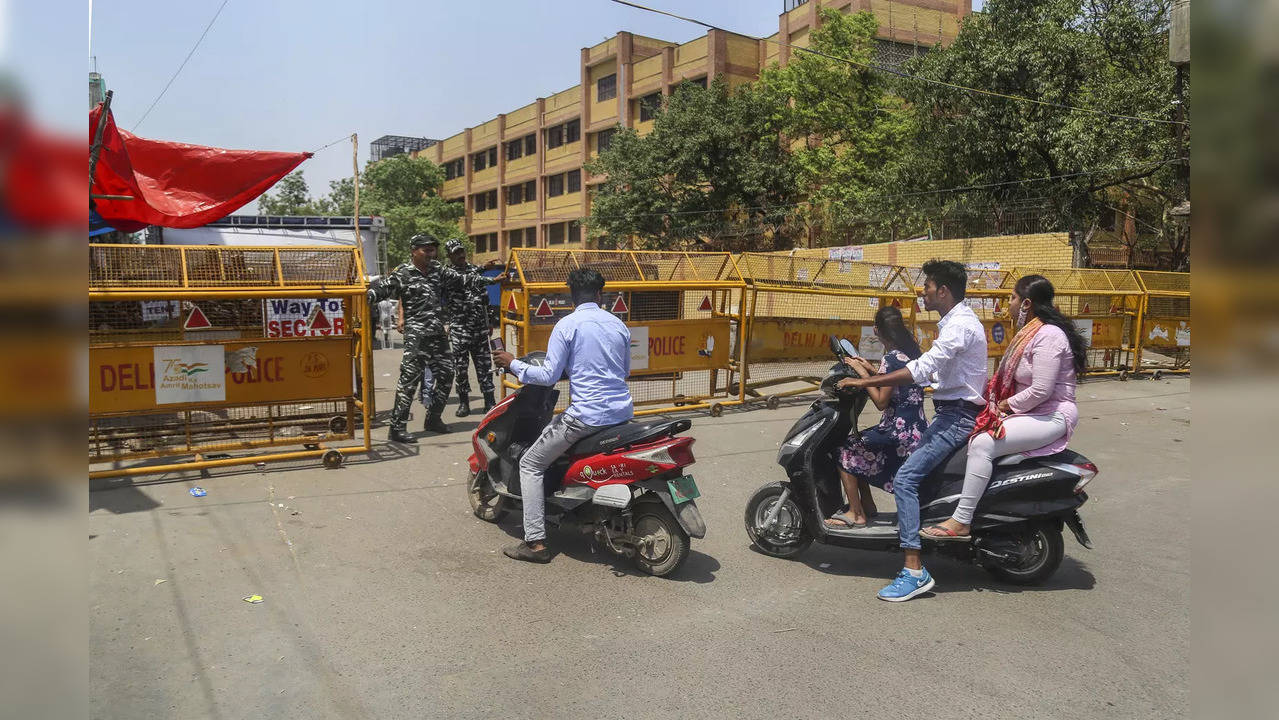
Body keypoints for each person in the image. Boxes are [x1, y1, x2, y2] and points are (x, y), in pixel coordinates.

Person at [838, 259, 987, 602]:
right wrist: (866, 369)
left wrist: (866, 379)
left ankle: (914, 570)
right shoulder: (954, 323)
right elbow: (933, 372)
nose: (924, 291)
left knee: (905, 480)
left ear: (943, 291)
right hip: (948, 413)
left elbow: (923, 369)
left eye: (929, 286)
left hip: (957, 417)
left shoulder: (959, 326)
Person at [922, 274, 1085, 541]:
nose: (1007, 304)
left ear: (1026, 304)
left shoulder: (1049, 335)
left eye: (1012, 298)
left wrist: (1005, 405)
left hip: (1051, 415)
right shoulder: (1030, 333)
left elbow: (1041, 391)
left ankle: (961, 520)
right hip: (1033, 412)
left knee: (984, 443)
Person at [492, 268, 634, 563]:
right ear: (599, 294)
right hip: (622, 413)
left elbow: (547, 375)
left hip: (586, 417)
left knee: (530, 464)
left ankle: (534, 543)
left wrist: (513, 364)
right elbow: (624, 370)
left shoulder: (567, 325)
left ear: (571, 296)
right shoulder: (618, 325)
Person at [367, 234, 496, 443]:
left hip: (437, 333)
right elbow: (381, 291)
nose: (431, 254)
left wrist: (490, 279)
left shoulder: (438, 270)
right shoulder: (403, 273)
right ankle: (397, 427)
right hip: (417, 336)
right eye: (426, 250)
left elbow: (462, 279)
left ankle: (433, 418)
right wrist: (362, 295)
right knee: (409, 382)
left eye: (433, 250)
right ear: (413, 251)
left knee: (447, 375)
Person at [826, 307, 927, 529]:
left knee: (845, 449)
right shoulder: (910, 353)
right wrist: (871, 369)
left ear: (876, 330)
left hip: (897, 433)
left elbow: (881, 400)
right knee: (858, 446)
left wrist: (862, 375)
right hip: (916, 429)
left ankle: (856, 513)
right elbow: (891, 381)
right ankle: (868, 506)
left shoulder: (890, 358)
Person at [442, 239, 499, 417]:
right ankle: (464, 402)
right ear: (449, 256)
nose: (460, 255)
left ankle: (489, 401)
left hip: (479, 328)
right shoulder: (448, 273)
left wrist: (489, 320)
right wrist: (487, 274)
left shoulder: (474, 269)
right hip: (460, 328)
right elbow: (470, 279)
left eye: (462, 251)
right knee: (461, 367)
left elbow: (484, 298)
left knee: (484, 365)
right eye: (456, 253)